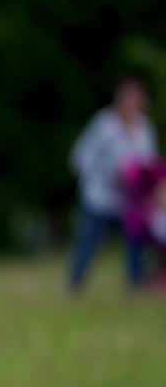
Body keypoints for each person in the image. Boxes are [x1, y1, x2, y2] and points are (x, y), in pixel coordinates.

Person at [68, 75, 158, 292]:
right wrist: (106, 176)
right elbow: (80, 158)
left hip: (129, 199)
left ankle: (135, 284)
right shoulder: (103, 125)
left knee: (136, 241)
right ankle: (75, 285)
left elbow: (149, 163)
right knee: (89, 241)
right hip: (99, 196)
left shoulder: (144, 128)